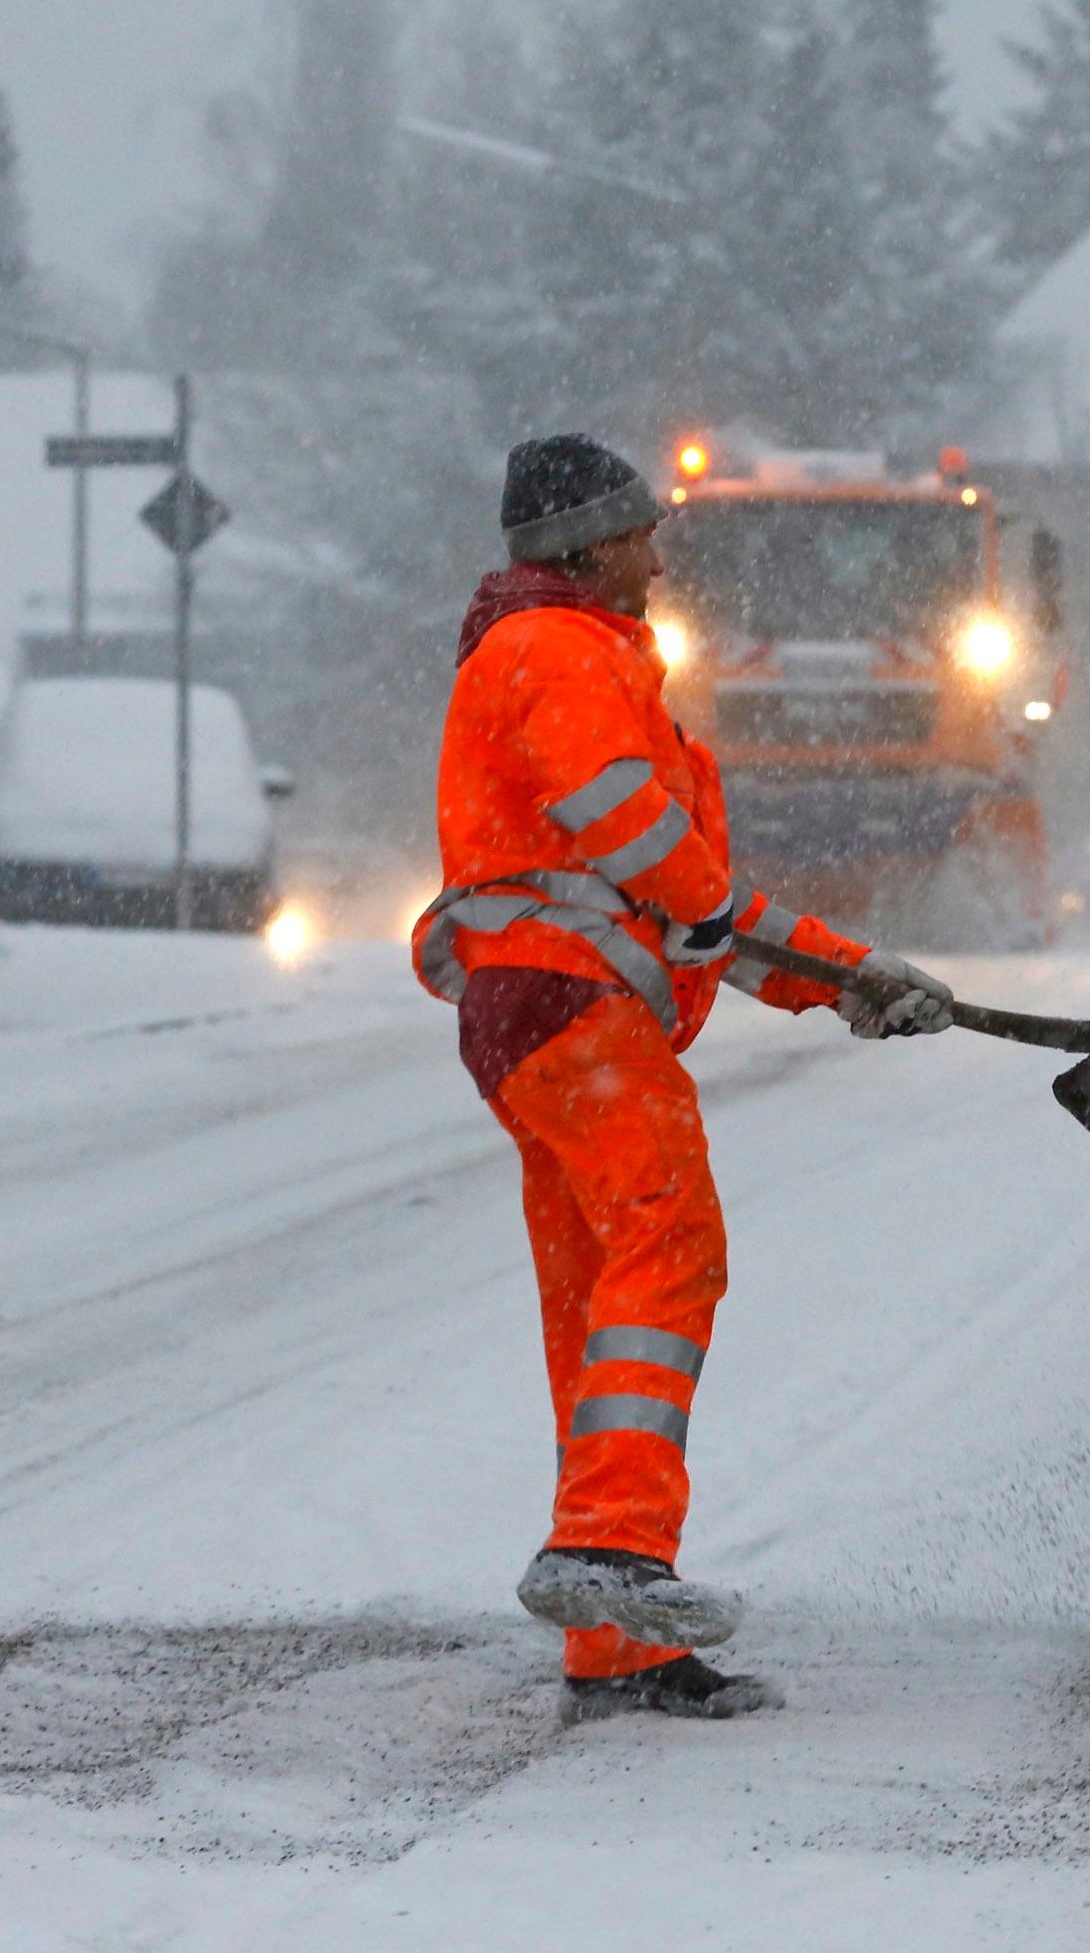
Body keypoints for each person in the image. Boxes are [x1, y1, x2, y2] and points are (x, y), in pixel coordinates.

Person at [413, 435, 955, 1722]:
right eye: (641, 531)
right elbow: (632, 834)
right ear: (588, 544)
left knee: (599, 1305)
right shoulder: (561, 649)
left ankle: (618, 1639)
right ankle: (610, 1549)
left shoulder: (573, 656)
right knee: (671, 1247)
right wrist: (709, 910)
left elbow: (688, 904)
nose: (659, 552)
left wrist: (851, 977)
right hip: (573, 1008)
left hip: (538, 1006)